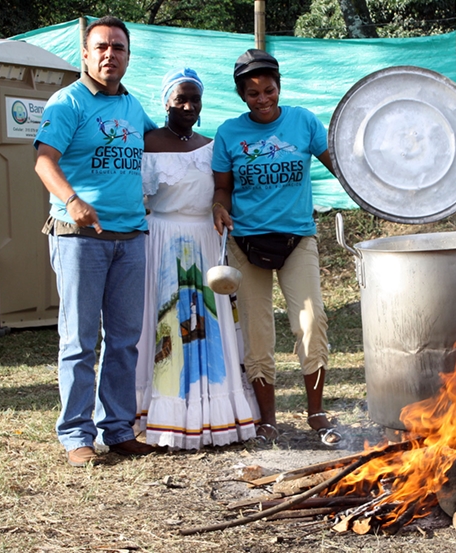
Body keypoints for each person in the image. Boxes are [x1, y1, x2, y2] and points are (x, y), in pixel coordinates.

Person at [34, 16, 159, 467]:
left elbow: (161, 142)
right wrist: (72, 201)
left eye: (118, 48)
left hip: (131, 238)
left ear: (128, 56)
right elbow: (44, 161)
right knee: (80, 340)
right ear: (85, 55)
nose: (110, 55)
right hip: (80, 238)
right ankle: (75, 435)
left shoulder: (133, 107)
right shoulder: (67, 102)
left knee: (125, 340)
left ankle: (119, 429)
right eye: (101, 47)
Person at [211, 49, 341, 445]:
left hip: (297, 238)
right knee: (256, 329)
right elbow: (222, 187)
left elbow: (338, 164)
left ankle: (316, 412)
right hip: (246, 242)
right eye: (252, 93)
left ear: (279, 87)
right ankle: (267, 420)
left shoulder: (303, 122)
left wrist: (375, 184)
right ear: (242, 96)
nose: (262, 99)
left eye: (269, 90)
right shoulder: (229, 133)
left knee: (311, 321)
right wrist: (218, 206)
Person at [134, 67, 259, 449]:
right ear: (166, 102)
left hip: (206, 239)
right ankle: (165, 413)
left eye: (195, 99)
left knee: (209, 321)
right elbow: (134, 195)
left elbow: (222, 189)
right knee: (167, 322)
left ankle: (213, 411)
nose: (188, 106)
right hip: (161, 241)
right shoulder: (147, 144)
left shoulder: (211, 145)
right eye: (180, 99)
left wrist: (220, 209)